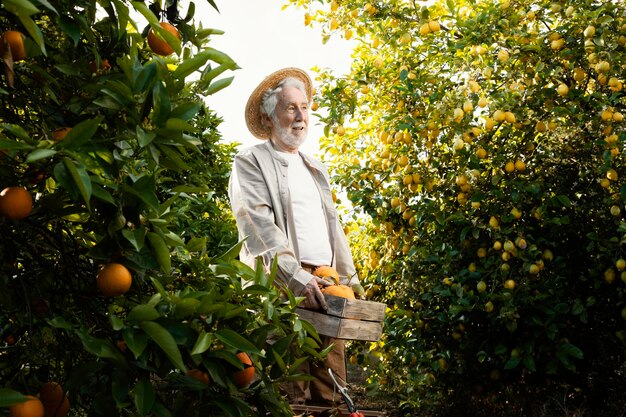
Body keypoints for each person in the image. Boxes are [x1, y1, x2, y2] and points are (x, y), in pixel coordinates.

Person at [228, 67, 362, 406]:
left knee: (331, 389)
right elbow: (258, 227)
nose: (301, 116)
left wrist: (351, 279)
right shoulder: (251, 160)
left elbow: (334, 227)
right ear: (268, 117)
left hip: (328, 284)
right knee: (290, 390)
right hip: (284, 285)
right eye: (291, 108)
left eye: (304, 106)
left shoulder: (315, 167)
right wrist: (295, 277)